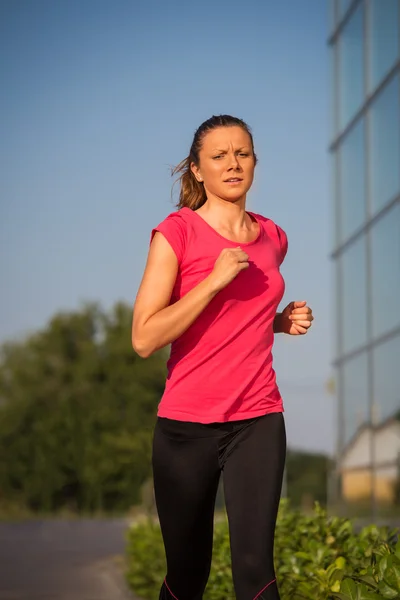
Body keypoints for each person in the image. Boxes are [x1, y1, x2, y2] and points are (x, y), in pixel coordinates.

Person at [132, 115, 314, 600]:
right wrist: (213, 281)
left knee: (257, 571)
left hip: (257, 418)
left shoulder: (273, 237)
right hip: (185, 427)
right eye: (219, 156)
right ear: (197, 170)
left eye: (243, 153)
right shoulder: (177, 233)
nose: (233, 164)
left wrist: (276, 320)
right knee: (188, 575)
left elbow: (239, 316)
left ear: (254, 161)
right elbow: (145, 338)